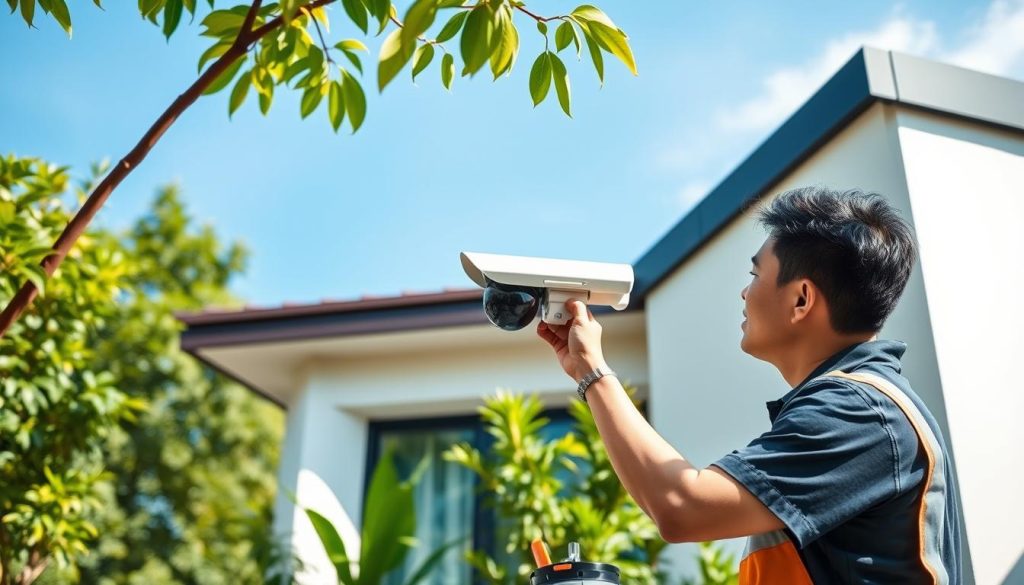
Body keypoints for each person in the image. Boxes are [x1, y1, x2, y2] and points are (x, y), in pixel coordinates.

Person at [536, 187, 962, 584]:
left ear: (801, 299)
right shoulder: (858, 406)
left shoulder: (857, 411)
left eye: (756, 275)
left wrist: (593, 372)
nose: (744, 292)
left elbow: (682, 507)